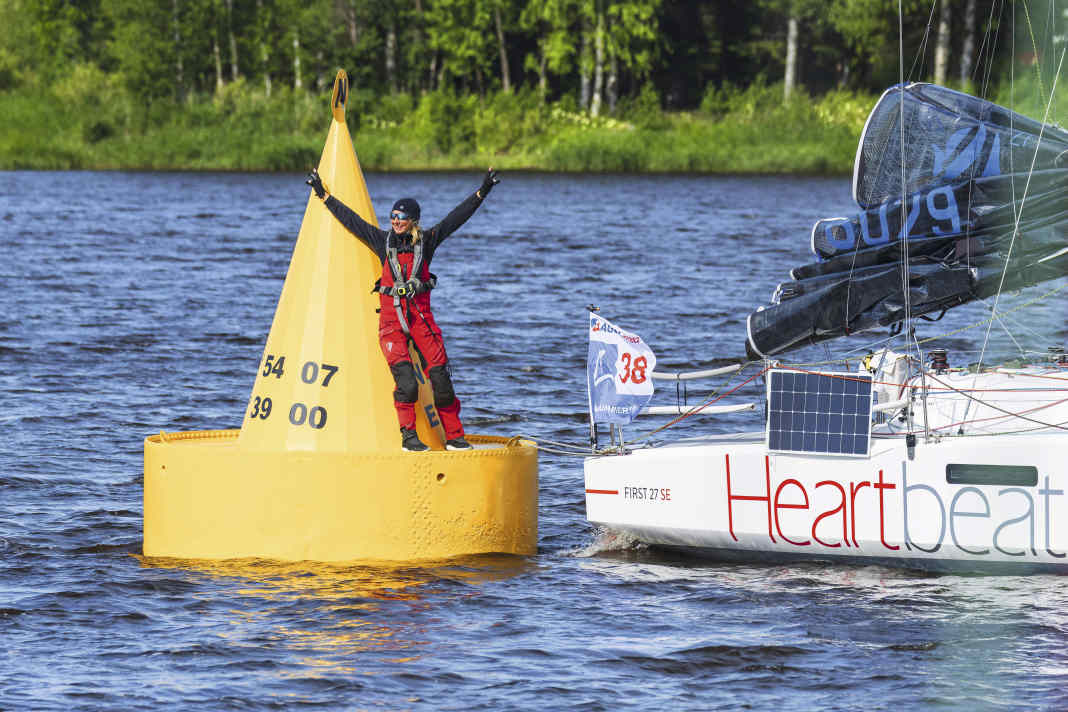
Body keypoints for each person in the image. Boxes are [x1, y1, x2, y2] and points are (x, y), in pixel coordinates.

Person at [305, 168, 499, 452]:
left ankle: (455, 437)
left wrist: (482, 193)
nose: (396, 222)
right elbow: (352, 221)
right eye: (393, 217)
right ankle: (409, 438)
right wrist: (323, 195)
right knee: (407, 384)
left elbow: (455, 219)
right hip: (391, 323)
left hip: (421, 320)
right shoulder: (381, 241)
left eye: (401, 218)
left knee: (441, 379)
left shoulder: (428, 241)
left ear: (413, 221)